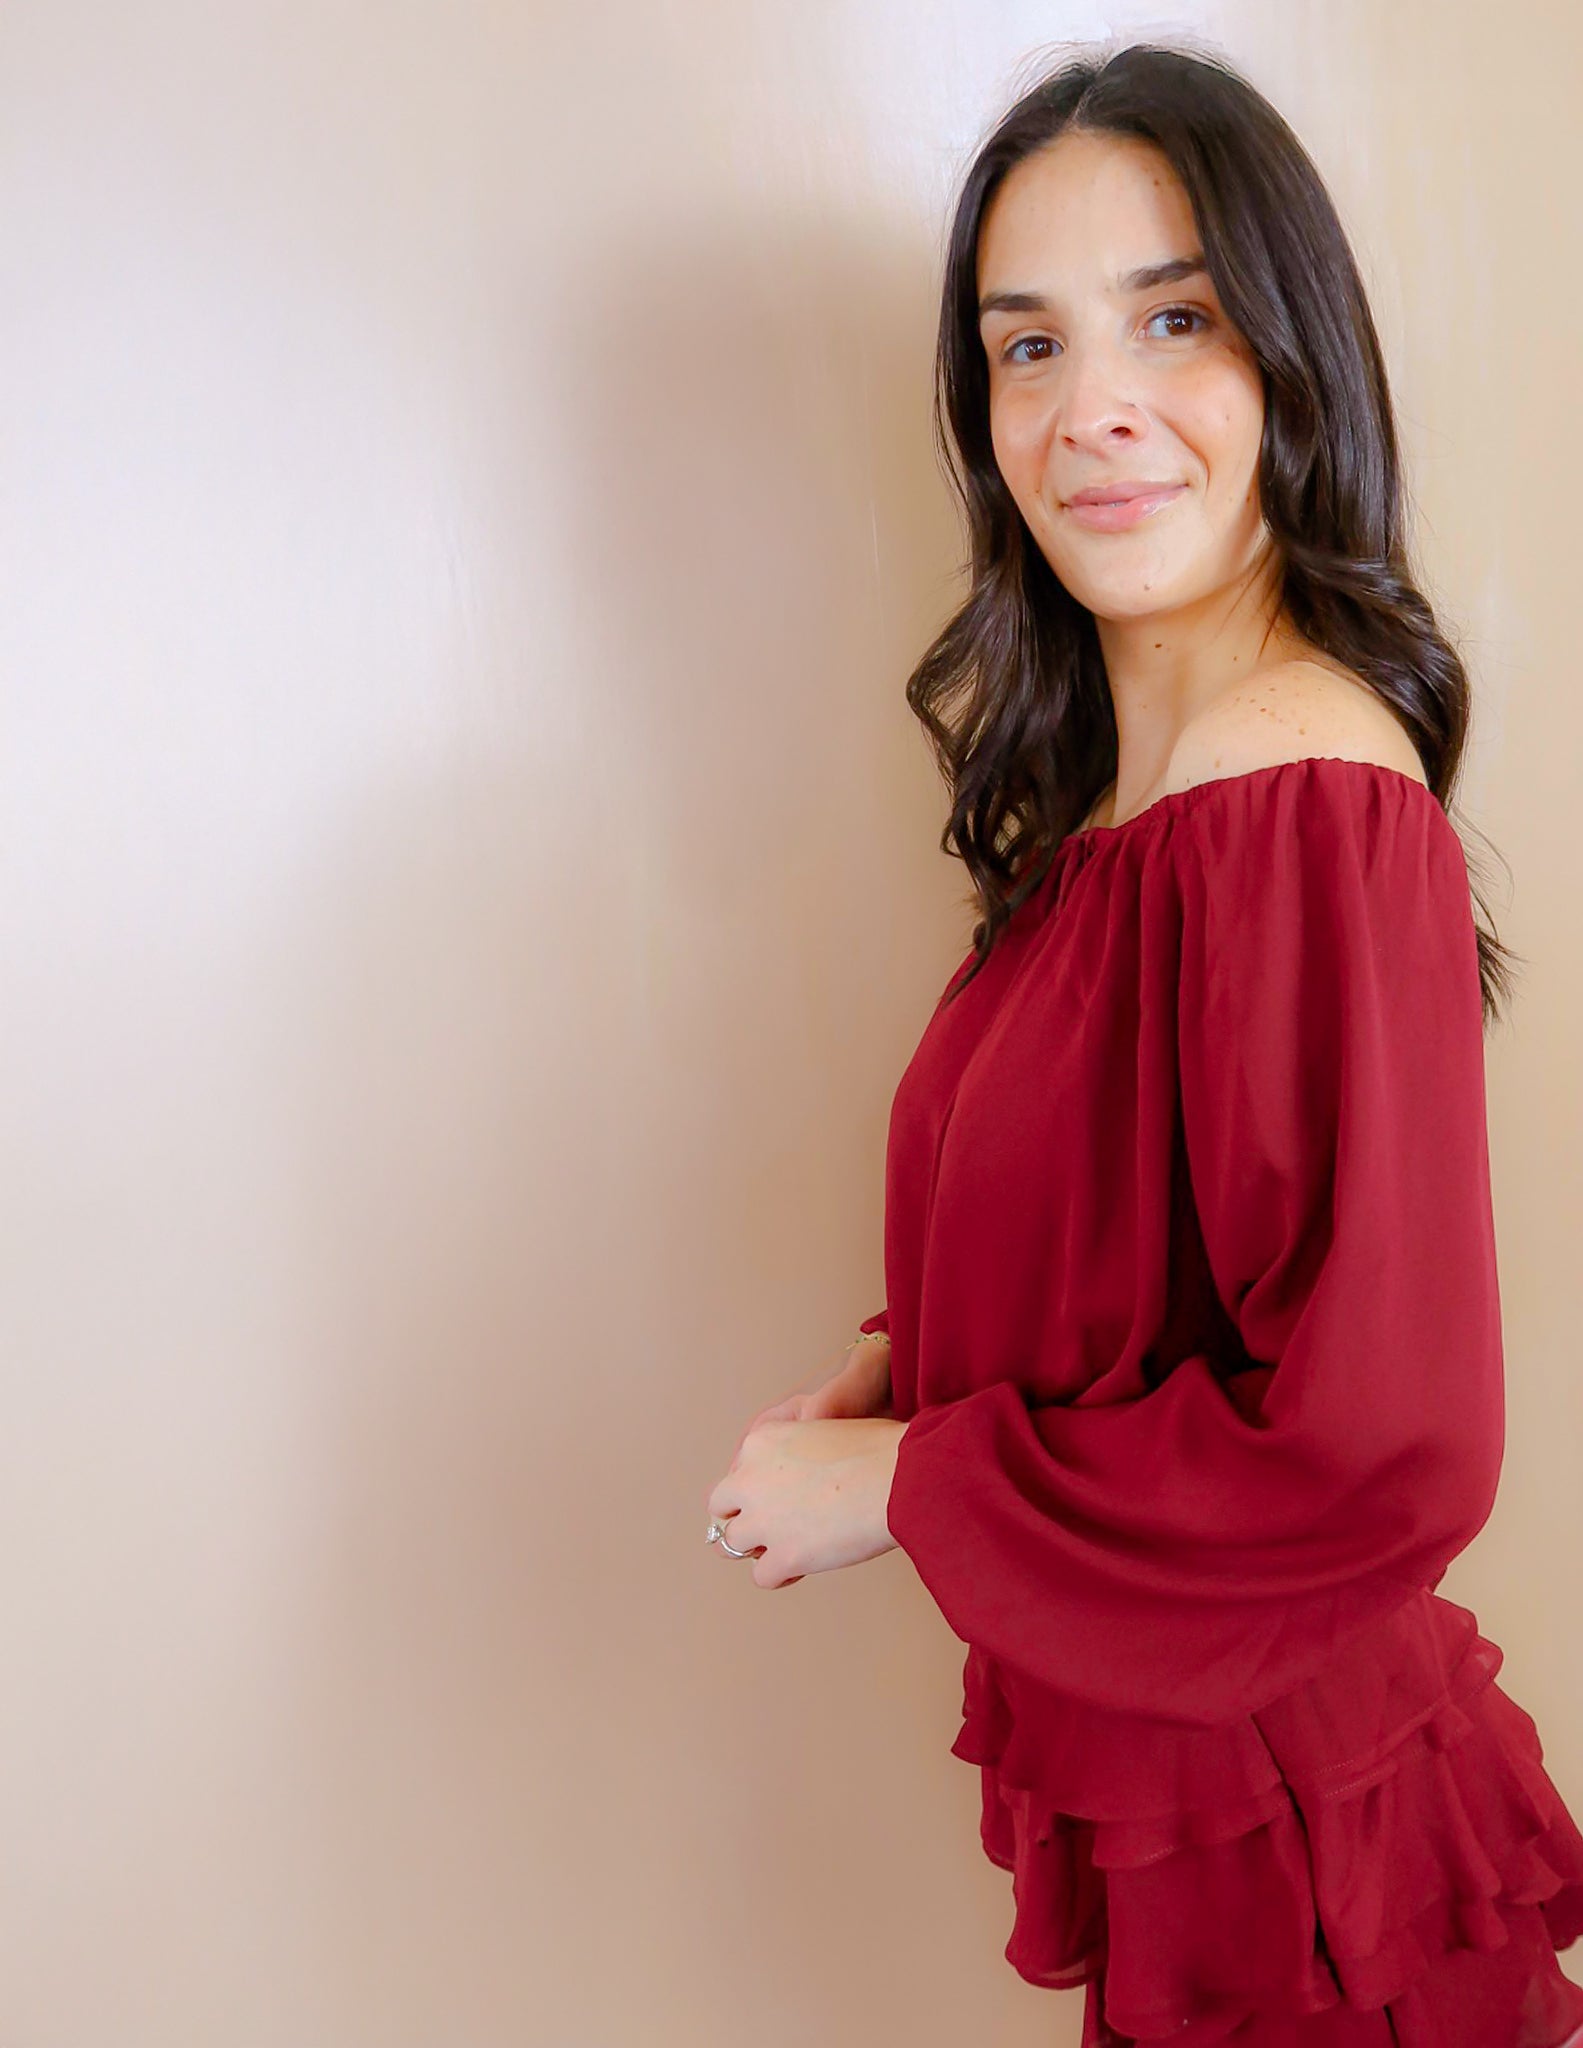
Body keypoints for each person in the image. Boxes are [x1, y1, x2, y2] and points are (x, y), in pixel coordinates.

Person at [705, 39, 1583, 2048]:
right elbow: (1146, 1230)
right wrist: (915, 1366)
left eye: (1172, 318)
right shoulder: (1131, 804)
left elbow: (1382, 1437)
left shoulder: (1291, 777)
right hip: (1218, 1810)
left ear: (1293, 358)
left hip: (1297, 1830)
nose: (1088, 406)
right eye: (1027, 346)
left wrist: (909, 1484)